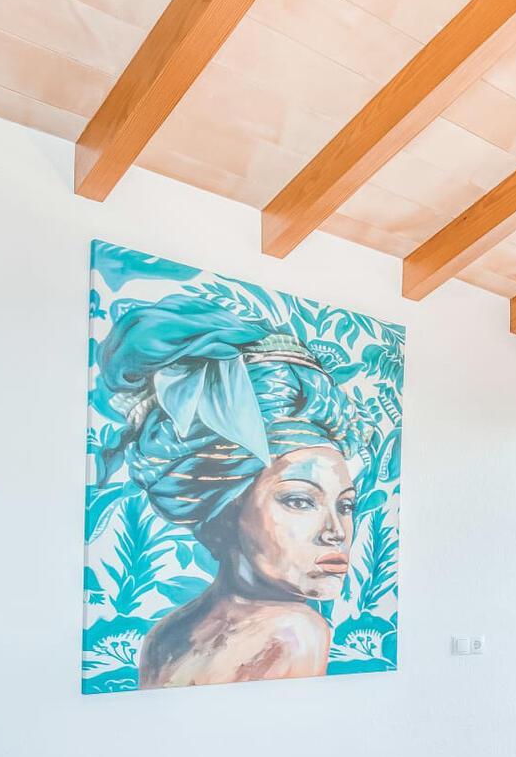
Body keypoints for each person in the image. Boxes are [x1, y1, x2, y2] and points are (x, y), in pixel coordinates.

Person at [94, 294, 364, 688]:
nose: (336, 532)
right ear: (225, 509)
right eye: (300, 500)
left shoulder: (166, 635)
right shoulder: (294, 633)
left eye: (346, 505)